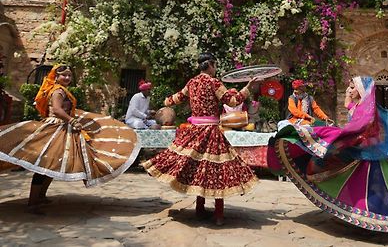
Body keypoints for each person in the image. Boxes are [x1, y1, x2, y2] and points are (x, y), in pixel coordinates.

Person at [268, 76, 388, 232]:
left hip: (370, 153)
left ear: (363, 91)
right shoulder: (357, 106)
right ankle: (360, 213)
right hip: (361, 151)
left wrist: (335, 130)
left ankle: (376, 215)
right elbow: (347, 113)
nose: (349, 89)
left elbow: (361, 128)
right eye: (349, 86)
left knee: (376, 188)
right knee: (361, 186)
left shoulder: (367, 109)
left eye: (353, 87)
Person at [0, 65, 140, 213]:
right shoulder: (57, 91)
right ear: (56, 77)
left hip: (62, 128)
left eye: (69, 76)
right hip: (55, 128)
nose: (67, 78)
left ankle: (40, 197)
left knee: (50, 166)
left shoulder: (60, 90)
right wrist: (72, 121)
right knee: (44, 165)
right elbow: (57, 110)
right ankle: (33, 202)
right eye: (64, 76)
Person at [143, 53, 259, 225]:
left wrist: (166, 100)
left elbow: (173, 99)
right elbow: (233, 102)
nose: (216, 68)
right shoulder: (214, 83)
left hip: (195, 132)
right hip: (211, 132)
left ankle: (200, 209)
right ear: (210, 65)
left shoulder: (191, 83)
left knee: (199, 169)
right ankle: (218, 215)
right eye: (215, 65)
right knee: (217, 170)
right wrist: (249, 86)